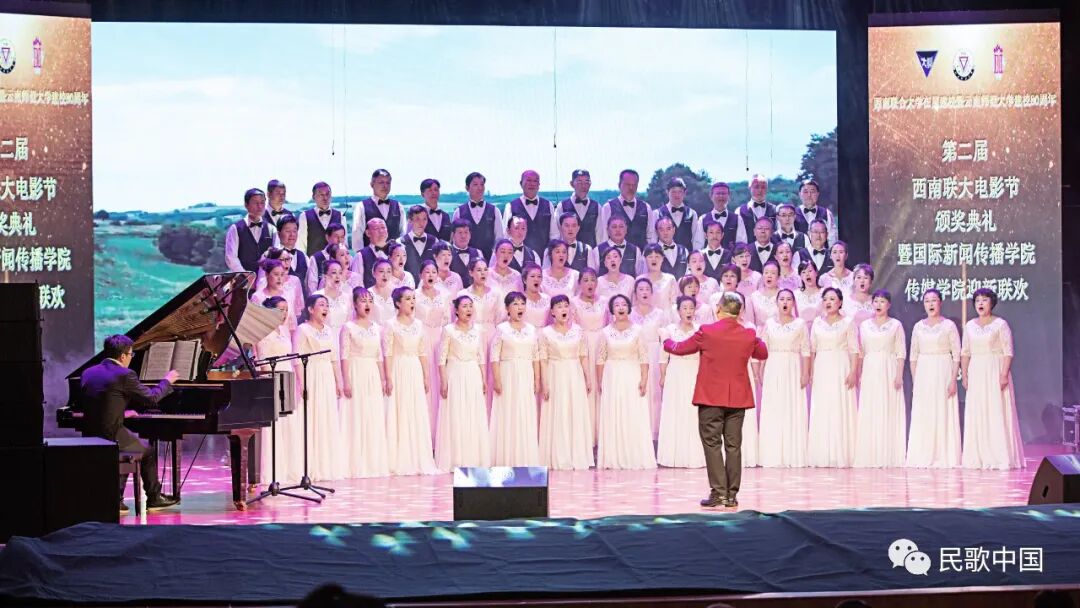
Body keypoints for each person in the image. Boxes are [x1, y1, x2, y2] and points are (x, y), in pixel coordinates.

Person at [663, 292, 768, 508]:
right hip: (737, 398)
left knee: (712, 444)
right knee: (733, 446)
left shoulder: (707, 331)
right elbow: (763, 353)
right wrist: (751, 337)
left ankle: (719, 493)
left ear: (718, 309)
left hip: (711, 397)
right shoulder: (747, 333)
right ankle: (731, 495)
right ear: (739, 312)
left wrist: (666, 340)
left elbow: (680, 349)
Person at [80, 335, 181, 512]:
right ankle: (154, 498)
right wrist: (167, 381)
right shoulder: (125, 375)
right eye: (131, 355)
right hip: (111, 435)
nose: (131, 358)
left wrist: (122, 412)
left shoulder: (88, 372)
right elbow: (152, 398)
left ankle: (117, 498)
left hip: (90, 434)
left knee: (131, 443)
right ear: (122, 356)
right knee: (146, 450)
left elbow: (101, 403)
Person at [960, 288, 1025, 470]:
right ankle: (978, 456)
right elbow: (965, 352)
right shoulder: (970, 326)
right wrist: (964, 375)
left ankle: (999, 456)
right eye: (977, 300)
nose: (980, 303)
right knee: (978, 411)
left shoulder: (1000, 324)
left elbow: (1008, 351)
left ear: (992, 303)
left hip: (995, 370)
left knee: (996, 410)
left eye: (984, 300)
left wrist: (1004, 374)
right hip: (977, 371)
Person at [383, 286, 439, 475]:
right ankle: (398, 459)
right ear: (398, 303)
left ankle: (417, 457)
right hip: (398, 368)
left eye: (413, 298)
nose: (412, 302)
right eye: (407, 299)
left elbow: (422, 352)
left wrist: (426, 376)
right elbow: (388, 353)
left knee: (415, 410)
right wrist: (388, 377)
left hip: (414, 368)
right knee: (399, 410)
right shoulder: (390, 325)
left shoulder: (419, 325)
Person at [596, 294, 655, 469]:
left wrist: (644, 378)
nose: (621, 307)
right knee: (614, 413)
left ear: (628, 308)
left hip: (632, 373)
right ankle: (613, 457)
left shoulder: (638, 330)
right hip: (612, 375)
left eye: (623, 304)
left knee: (633, 413)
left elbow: (644, 356)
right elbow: (600, 359)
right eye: (617, 305)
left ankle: (634, 456)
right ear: (612, 310)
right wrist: (600, 381)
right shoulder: (605, 332)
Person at [907, 288, 962, 468]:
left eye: (934, 300)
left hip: (943, 370)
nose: (930, 304)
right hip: (924, 372)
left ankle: (943, 455)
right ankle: (923, 454)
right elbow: (913, 356)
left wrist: (953, 380)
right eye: (927, 301)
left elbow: (957, 355)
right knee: (925, 413)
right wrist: (916, 380)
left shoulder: (949, 326)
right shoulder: (918, 327)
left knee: (942, 411)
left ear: (940, 303)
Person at [339, 287, 391, 478]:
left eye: (370, 300)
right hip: (355, 371)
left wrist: (384, 378)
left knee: (372, 415)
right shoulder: (348, 327)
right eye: (363, 301)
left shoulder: (377, 328)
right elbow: (344, 355)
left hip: (372, 374)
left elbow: (379, 355)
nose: (367, 304)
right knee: (356, 415)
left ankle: (373, 462)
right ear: (355, 304)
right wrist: (346, 380)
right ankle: (354, 463)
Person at [538, 295, 594, 470]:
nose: (564, 309)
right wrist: (545, 384)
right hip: (555, 373)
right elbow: (543, 360)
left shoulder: (578, 331)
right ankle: (558, 456)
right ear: (552, 312)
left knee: (574, 412)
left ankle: (577, 456)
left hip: (574, 374)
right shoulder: (545, 333)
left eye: (566, 306)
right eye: (559, 306)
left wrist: (588, 378)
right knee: (559, 412)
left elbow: (583, 356)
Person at [435, 295, 491, 469]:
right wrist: (443, 381)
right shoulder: (449, 330)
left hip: (473, 374)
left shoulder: (477, 331)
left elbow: (481, 356)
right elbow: (441, 359)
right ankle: (456, 459)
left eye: (470, 306)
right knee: (456, 414)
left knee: (473, 414)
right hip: (455, 373)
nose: (468, 309)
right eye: (465, 306)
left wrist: (483, 378)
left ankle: (473, 458)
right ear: (457, 310)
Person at [853, 289, 907, 468]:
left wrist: (899, 375)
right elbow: (861, 352)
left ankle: (888, 454)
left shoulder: (896, 325)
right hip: (870, 369)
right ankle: (870, 454)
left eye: (882, 301)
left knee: (887, 407)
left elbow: (900, 352)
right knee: (870, 409)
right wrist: (859, 373)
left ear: (888, 305)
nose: (878, 304)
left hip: (888, 368)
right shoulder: (864, 326)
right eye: (876, 301)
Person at [294, 294, 346, 481]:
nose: (325, 308)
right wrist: (302, 383)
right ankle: (310, 465)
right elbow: (297, 359)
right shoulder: (302, 330)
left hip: (326, 376)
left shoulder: (329, 331)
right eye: (321, 305)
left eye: (327, 305)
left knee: (326, 417)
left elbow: (334, 358)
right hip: (311, 374)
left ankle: (326, 465)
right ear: (310, 309)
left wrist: (338, 382)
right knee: (312, 417)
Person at [757, 290, 810, 468]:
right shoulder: (769, 324)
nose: (785, 302)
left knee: (791, 406)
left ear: (794, 303)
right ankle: (771, 454)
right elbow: (763, 349)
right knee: (773, 407)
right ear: (777, 302)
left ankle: (791, 454)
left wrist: (805, 373)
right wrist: (761, 371)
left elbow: (806, 350)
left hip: (792, 367)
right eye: (782, 299)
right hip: (773, 366)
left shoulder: (800, 324)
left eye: (788, 299)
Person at [807, 288, 860, 468]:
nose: (828, 302)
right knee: (822, 407)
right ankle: (822, 454)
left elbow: (854, 349)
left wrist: (853, 372)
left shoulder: (848, 322)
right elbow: (812, 349)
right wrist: (811, 372)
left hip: (840, 365)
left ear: (840, 302)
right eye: (825, 299)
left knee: (839, 406)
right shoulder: (817, 323)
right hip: (822, 366)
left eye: (832, 299)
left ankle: (841, 454)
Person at [489, 291, 542, 466]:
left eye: (522, 304)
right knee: (509, 412)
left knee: (524, 412)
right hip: (508, 373)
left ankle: (525, 457)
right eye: (515, 304)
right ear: (507, 308)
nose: (520, 307)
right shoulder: (501, 329)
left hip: (526, 373)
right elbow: (494, 356)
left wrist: (537, 379)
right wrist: (497, 380)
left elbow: (535, 356)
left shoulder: (531, 329)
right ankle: (507, 457)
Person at [253, 297, 301, 484]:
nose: (284, 313)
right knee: (275, 425)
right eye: (280, 309)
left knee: (288, 423)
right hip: (273, 378)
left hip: (286, 375)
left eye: (286, 309)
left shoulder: (284, 330)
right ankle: (273, 470)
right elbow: (262, 361)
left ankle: (290, 469)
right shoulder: (263, 333)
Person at [656, 296, 706, 468]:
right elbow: (663, 357)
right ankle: (673, 455)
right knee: (675, 410)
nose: (688, 311)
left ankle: (695, 456)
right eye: (684, 308)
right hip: (675, 374)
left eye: (691, 308)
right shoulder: (669, 330)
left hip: (695, 372)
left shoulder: (700, 330)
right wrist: (663, 376)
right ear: (678, 311)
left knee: (693, 412)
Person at [415, 261, 451, 438]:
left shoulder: (445, 295)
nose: (430, 275)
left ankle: (440, 433)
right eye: (427, 272)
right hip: (421, 340)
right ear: (421, 275)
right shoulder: (414, 295)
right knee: (425, 380)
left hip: (439, 338)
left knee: (440, 381)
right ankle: (425, 432)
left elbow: (448, 320)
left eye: (433, 272)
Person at [630, 277, 668, 437]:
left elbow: (665, 339)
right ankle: (638, 431)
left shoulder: (660, 313)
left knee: (655, 392)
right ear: (635, 293)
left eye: (647, 289)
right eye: (641, 289)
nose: (644, 292)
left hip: (654, 353)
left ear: (652, 293)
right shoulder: (629, 312)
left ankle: (655, 431)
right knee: (638, 389)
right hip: (635, 355)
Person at [571, 268, 605, 444]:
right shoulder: (573, 302)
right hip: (583, 345)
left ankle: (602, 436)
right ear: (579, 284)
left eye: (593, 280)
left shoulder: (604, 301)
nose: (590, 284)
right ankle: (586, 437)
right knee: (586, 386)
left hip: (602, 345)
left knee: (602, 386)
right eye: (585, 280)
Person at [598, 169, 656, 249]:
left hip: (641, 255)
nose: (631, 188)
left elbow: (651, 237)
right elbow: (603, 237)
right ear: (619, 185)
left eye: (634, 185)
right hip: (615, 255)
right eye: (627, 184)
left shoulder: (647, 208)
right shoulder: (608, 208)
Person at [453, 171, 505, 260]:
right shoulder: (459, 212)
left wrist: (494, 259)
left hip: (489, 260)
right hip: (465, 259)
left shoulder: (494, 211)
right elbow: (454, 239)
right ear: (467, 188)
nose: (479, 188)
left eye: (482, 184)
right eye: (475, 184)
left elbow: (499, 238)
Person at [225, 188, 279, 272]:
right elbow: (231, 258)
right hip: (242, 278)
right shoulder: (235, 229)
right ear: (246, 205)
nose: (260, 206)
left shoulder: (272, 229)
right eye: (255, 203)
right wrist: (245, 276)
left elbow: (276, 256)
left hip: (267, 278)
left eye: (262, 202)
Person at [504, 170, 559, 253]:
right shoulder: (510, 206)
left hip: (544, 256)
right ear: (521, 183)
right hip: (519, 256)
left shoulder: (549, 205)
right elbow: (506, 235)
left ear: (539, 185)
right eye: (529, 180)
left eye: (535, 181)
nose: (532, 184)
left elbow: (554, 234)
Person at [353, 169, 404, 248]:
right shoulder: (361, 206)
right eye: (381, 182)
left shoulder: (398, 206)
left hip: (394, 255)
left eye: (388, 183)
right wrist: (361, 255)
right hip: (371, 255)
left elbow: (403, 234)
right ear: (372, 184)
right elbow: (357, 237)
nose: (385, 186)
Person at [297, 182, 346, 256]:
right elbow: (301, 246)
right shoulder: (304, 216)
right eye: (321, 195)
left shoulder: (341, 216)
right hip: (313, 262)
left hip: (336, 262)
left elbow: (344, 244)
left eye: (327, 194)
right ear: (313, 197)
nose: (325, 198)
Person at [275, 215, 316, 300]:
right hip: (279, 304)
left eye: (294, 231)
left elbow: (308, 286)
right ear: (279, 234)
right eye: (287, 231)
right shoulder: (271, 255)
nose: (292, 234)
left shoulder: (304, 257)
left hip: (301, 304)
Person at [558, 169, 601, 247]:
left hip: (591, 251)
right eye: (579, 182)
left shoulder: (597, 207)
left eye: (586, 182)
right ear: (572, 184)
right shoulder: (562, 205)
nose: (583, 186)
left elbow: (600, 234)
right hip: (567, 250)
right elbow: (558, 232)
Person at [657, 177, 701, 250]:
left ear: (685, 193)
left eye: (680, 192)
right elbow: (653, 239)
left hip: (687, 255)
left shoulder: (692, 214)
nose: (677, 195)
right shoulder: (657, 213)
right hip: (663, 255)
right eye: (673, 192)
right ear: (667, 192)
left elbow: (696, 240)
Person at [732, 174, 776, 244]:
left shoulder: (775, 210)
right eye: (756, 187)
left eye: (763, 187)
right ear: (750, 188)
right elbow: (739, 239)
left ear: (767, 189)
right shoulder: (739, 211)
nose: (760, 190)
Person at [400, 205, 439, 283]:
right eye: (417, 219)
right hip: (408, 286)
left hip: (430, 286)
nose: (421, 223)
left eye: (424, 219)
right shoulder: (400, 242)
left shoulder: (435, 241)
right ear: (410, 220)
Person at [307, 223, 348, 294]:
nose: (339, 240)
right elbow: (312, 286)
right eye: (336, 237)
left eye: (342, 237)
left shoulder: (348, 258)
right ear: (327, 237)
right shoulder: (316, 258)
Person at [794, 178, 837, 243]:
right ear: (800, 194)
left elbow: (832, 238)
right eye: (805, 192)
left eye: (812, 192)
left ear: (818, 194)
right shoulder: (792, 214)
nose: (809, 195)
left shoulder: (826, 213)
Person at [696, 181, 736, 250]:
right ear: (711, 196)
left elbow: (741, 244)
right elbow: (698, 245)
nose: (721, 196)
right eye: (718, 193)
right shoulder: (702, 219)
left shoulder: (738, 219)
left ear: (729, 196)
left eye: (724, 193)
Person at [314, 260, 351, 332]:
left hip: (342, 336)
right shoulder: (317, 296)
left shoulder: (347, 297)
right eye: (334, 273)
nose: (337, 276)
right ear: (325, 276)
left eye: (340, 273)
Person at [639, 244, 678, 311]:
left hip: (665, 316)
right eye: (650, 256)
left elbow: (674, 303)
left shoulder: (670, 279)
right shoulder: (640, 280)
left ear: (662, 258)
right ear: (645, 259)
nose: (653, 259)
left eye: (657, 256)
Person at [447, 219, 482, 288]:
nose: (463, 236)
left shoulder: (478, 252)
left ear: (470, 235)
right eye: (460, 232)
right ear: (453, 235)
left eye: (466, 232)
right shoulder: (447, 253)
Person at [749, 260, 781, 329]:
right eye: (766, 272)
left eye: (773, 273)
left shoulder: (784, 295)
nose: (769, 276)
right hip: (759, 334)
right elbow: (751, 324)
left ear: (778, 276)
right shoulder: (754, 296)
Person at [420, 178, 452, 243]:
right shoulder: (417, 215)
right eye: (430, 190)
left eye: (436, 190)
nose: (434, 193)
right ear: (422, 194)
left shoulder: (446, 216)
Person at [521, 263, 551, 328]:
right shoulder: (519, 300)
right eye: (532, 276)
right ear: (524, 280)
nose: (536, 279)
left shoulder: (547, 299)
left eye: (539, 276)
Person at [368, 259, 398, 324]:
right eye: (381, 271)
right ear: (373, 273)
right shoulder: (368, 293)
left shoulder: (397, 292)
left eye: (388, 271)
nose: (385, 275)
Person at [795, 260, 824, 325]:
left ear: (816, 273)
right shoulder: (796, 294)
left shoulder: (825, 293)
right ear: (800, 276)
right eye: (803, 272)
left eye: (810, 271)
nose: (807, 274)